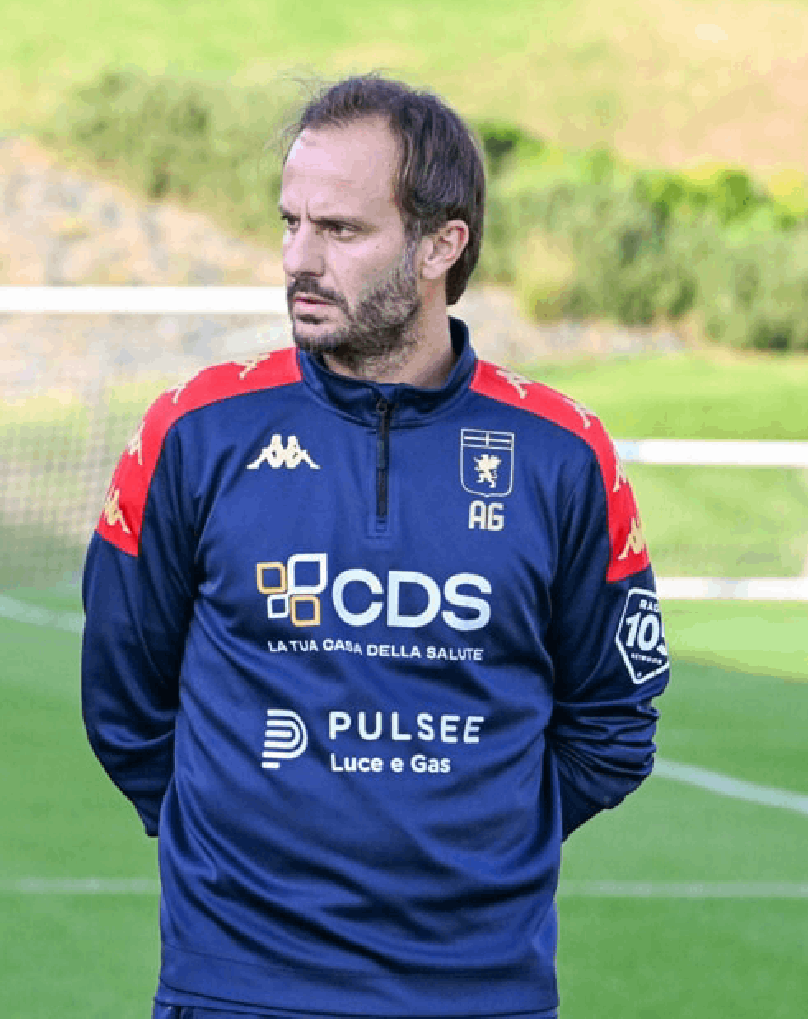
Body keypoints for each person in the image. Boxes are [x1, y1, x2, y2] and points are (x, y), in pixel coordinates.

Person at [80, 75, 670, 1019]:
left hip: (479, 992)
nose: (299, 259)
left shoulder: (562, 454)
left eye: (341, 230)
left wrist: (478, 847)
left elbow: (613, 724)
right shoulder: (193, 433)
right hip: (239, 990)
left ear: (441, 244)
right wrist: (232, 847)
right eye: (290, 222)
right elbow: (124, 704)